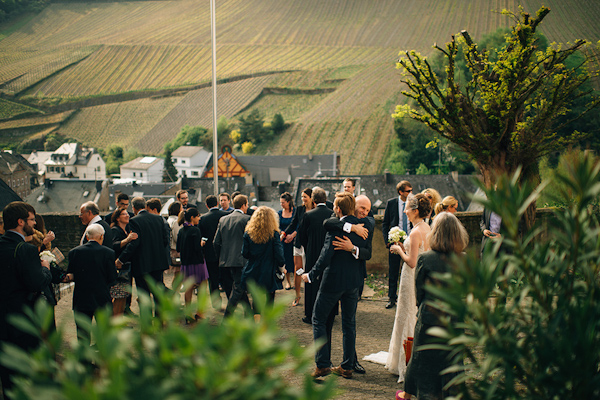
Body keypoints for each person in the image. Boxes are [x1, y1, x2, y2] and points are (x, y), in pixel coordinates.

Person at [399, 212, 469, 400]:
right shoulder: (463, 259)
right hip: (453, 318)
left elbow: (419, 291)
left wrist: (421, 308)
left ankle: (413, 394)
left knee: (422, 359)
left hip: (429, 317)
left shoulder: (426, 259)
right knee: (451, 358)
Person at [301, 192, 367, 379]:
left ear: (337, 209)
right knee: (349, 323)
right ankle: (347, 366)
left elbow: (325, 255)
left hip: (333, 281)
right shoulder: (363, 227)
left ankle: (322, 365)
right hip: (354, 281)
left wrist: (312, 275)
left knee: (318, 318)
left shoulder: (335, 228)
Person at [0, 202, 52, 397]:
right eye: (31, 220)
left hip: (2, 319)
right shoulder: (26, 250)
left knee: (7, 373)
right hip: (22, 319)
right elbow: (37, 283)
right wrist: (45, 268)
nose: (34, 224)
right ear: (21, 222)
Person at [322, 194, 373, 375]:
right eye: (362, 208)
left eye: (367, 210)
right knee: (335, 321)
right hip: (338, 277)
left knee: (349, 323)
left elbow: (368, 254)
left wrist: (352, 248)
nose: (364, 213)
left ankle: (350, 363)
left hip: (354, 278)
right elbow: (328, 223)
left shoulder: (369, 224)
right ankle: (342, 362)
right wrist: (351, 227)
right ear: (353, 207)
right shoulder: (341, 222)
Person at [385, 193, 432, 382]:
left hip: (410, 277)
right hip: (420, 278)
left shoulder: (414, 233)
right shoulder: (426, 227)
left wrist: (399, 250)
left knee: (405, 315)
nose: (404, 211)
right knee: (413, 314)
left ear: (415, 211)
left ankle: (405, 363)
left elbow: (412, 262)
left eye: (407, 209)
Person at [227, 206, 284, 320]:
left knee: (255, 299)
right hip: (269, 270)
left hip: (253, 269)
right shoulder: (273, 234)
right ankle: (266, 324)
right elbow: (279, 255)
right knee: (269, 298)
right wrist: (281, 266)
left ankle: (256, 323)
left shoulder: (248, 233)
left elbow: (245, 253)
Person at [66, 223, 117, 346]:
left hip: (81, 297)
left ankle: (85, 362)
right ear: (101, 236)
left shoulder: (74, 252)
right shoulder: (108, 253)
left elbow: (71, 274)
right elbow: (113, 278)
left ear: (87, 237)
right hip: (102, 297)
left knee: (83, 333)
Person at [116, 197, 169, 307]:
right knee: (158, 293)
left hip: (142, 264)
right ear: (145, 206)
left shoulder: (134, 221)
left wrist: (121, 259)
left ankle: (147, 321)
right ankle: (160, 321)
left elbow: (134, 243)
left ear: (133, 207)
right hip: (158, 262)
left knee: (144, 295)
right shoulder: (158, 219)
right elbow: (165, 240)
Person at [297, 187, 333, 324]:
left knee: (311, 282)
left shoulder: (308, 215)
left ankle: (310, 314)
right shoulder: (332, 214)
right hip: (329, 253)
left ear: (314, 199)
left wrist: (308, 247)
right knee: (327, 281)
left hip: (312, 252)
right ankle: (329, 313)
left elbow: (302, 235)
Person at [214, 194, 251, 314]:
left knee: (239, 286)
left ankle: (249, 314)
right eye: (247, 204)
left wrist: (221, 256)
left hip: (226, 259)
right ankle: (227, 317)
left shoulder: (223, 219)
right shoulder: (247, 219)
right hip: (242, 259)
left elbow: (216, 242)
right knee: (239, 288)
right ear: (244, 205)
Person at [382, 180, 413, 309]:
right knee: (393, 271)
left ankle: (409, 299)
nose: (411, 193)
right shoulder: (391, 203)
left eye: (411, 190)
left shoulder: (413, 203)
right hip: (396, 242)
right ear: (401, 192)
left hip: (411, 242)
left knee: (410, 271)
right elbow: (385, 224)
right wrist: (389, 243)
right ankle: (391, 298)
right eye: (408, 191)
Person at [282, 187, 314, 307]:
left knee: (309, 270)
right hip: (299, 243)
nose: (303, 199)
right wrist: (284, 233)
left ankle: (310, 296)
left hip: (310, 244)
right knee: (297, 270)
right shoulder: (300, 209)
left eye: (305, 196)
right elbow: (293, 224)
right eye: (302, 197)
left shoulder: (315, 210)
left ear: (311, 198)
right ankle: (297, 295)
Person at [177, 207, 209, 322]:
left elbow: (178, 248)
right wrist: (201, 243)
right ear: (192, 217)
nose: (199, 219)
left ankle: (188, 312)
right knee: (202, 287)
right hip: (197, 262)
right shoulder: (196, 230)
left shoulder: (181, 230)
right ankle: (200, 312)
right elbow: (197, 248)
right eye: (198, 216)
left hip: (185, 263)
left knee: (188, 288)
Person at [198, 195, 229, 310]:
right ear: (217, 203)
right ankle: (231, 301)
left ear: (206, 206)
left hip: (210, 254)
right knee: (226, 278)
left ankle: (216, 304)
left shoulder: (203, 218)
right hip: (224, 252)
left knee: (213, 280)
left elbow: (202, 238)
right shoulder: (226, 216)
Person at [110, 207, 137, 315]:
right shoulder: (115, 230)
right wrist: (128, 239)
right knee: (118, 294)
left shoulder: (127, 229)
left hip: (127, 266)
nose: (127, 216)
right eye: (124, 214)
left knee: (125, 294)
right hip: (119, 267)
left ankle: (122, 315)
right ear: (117, 218)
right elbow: (114, 245)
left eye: (127, 214)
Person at [277, 192, 295, 290]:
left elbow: (298, 224)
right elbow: (276, 225)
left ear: (288, 202)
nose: (281, 204)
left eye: (283, 202)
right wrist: (282, 233)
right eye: (281, 203)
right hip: (283, 240)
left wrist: (292, 235)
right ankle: (288, 282)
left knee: (295, 262)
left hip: (294, 240)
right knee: (286, 262)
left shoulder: (295, 211)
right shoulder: (279, 213)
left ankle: (296, 280)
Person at [167, 201, 182, 281]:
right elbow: (177, 237)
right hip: (176, 250)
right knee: (178, 273)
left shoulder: (169, 220)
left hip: (170, 248)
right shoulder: (176, 221)